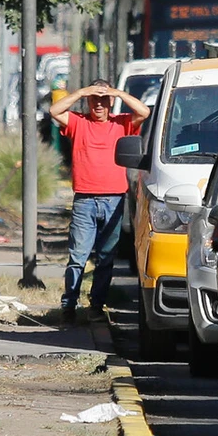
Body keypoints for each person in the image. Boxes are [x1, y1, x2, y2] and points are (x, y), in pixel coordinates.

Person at [50, 80, 150, 324]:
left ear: (110, 102)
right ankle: (69, 306)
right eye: (94, 99)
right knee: (78, 257)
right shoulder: (78, 122)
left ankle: (96, 306)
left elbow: (144, 112)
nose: (98, 104)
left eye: (103, 99)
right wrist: (82, 91)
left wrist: (117, 92)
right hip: (84, 200)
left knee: (106, 259)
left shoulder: (121, 123)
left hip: (114, 201)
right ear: (88, 101)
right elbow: (54, 111)